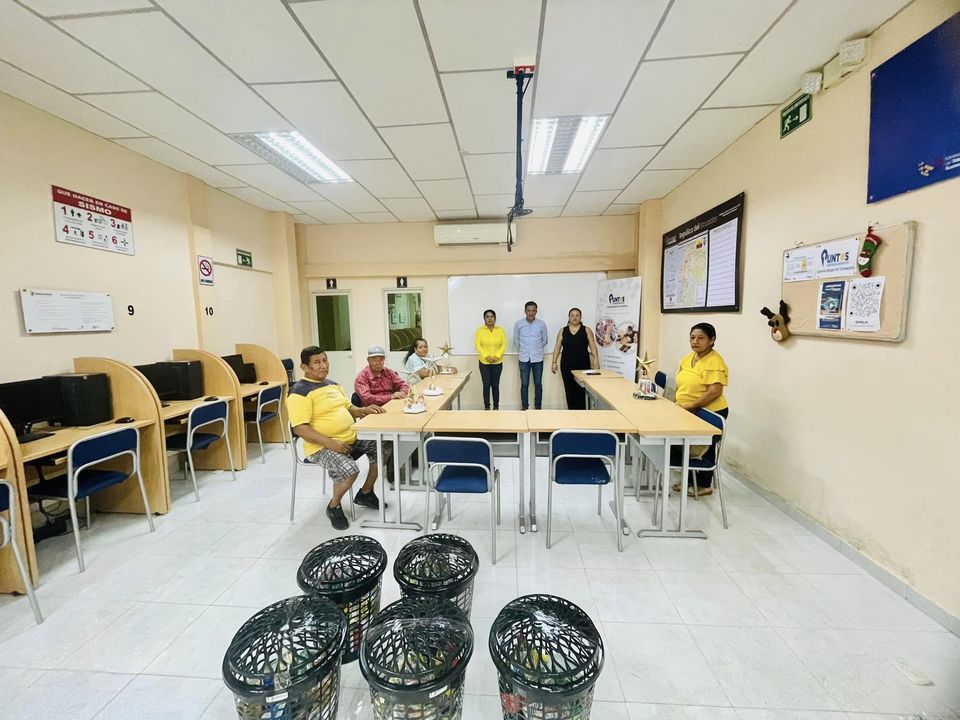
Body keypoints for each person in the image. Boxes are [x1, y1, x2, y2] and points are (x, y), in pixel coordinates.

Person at [287, 346, 386, 530]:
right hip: (321, 446)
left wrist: (363, 410)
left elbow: (348, 408)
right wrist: (332, 443)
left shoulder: (332, 385)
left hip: (349, 438)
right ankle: (334, 506)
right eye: (317, 362)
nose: (323, 365)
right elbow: (300, 428)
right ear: (304, 367)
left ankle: (365, 493)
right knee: (350, 471)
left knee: (383, 445)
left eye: (325, 360)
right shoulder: (299, 392)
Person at [672, 322, 729, 496]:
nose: (695, 341)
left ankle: (704, 484)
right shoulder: (689, 357)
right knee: (688, 445)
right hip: (688, 409)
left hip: (709, 411)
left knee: (704, 448)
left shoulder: (714, 361)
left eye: (701, 338)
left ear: (711, 340)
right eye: (692, 337)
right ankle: (690, 480)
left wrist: (693, 406)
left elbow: (715, 391)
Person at [551, 307, 599, 409]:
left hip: (583, 365)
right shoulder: (563, 331)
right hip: (566, 365)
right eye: (572, 315)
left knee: (581, 390)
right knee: (569, 389)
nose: (574, 317)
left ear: (580, 317)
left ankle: (581, 413)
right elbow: (557, 347)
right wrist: (554, 362)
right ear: (569, 317)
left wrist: (596, 361)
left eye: (577, 315)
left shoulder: (586, 330)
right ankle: (572, 412)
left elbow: (593, 346)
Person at [513, 301, 548, 410]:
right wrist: (524, 350)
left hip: (537, 359)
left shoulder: (541, 324)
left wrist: (536, 349)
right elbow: (516, 341)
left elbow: (545, 340)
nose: (531, 313)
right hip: (523, 359)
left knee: (538, 384)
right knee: (524, 384)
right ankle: (525, 407)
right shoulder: (519, 324)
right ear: (525, 311)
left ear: (536, 311)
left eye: (533, 310)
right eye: (529, 310)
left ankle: (538, 408)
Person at [474, 309, 507, 410]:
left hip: (498, 362)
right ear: (484, 319)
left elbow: (504, 344)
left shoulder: (500, 330)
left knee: (495, 385)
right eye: (487, 317)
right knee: (486, 385)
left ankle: (496, 407)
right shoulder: (480, 331)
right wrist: (486, 356)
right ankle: (487, 407)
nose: (489, 318)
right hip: (484, 362)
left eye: (491, 316)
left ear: (495, 318)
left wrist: (497, 356)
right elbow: (478, 345)